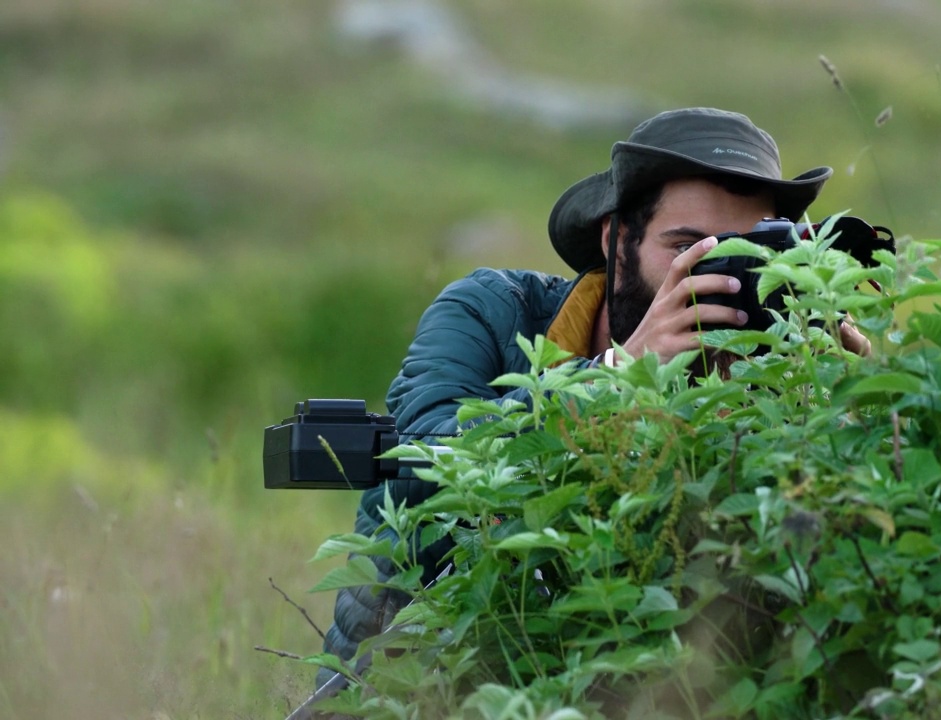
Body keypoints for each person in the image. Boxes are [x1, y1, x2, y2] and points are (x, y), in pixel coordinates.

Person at [320, 107, 871, 676]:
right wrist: (616, 377)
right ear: (615, 238)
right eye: (685, 247)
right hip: (427, 677)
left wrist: (856, 400)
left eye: (743, 253)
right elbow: (424, 464)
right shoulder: (491, 312)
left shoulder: (782, 361)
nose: (710, 273)